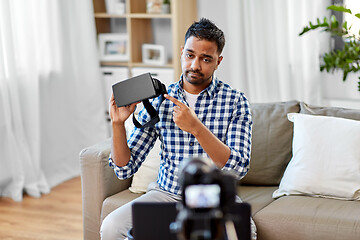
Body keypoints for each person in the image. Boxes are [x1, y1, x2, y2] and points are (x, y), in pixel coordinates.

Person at [101, 18, 256, 239]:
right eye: (190, 55)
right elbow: (124, 169)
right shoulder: (159, 99)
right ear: (182, 52)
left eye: (205, 59)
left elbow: (238, 168)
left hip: (213, 197)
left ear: (218, 61)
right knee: (111, 226)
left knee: (244, 232)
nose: (195, 65)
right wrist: (117, 124)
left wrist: (197, 129)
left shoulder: (235, 101)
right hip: (166, 194)